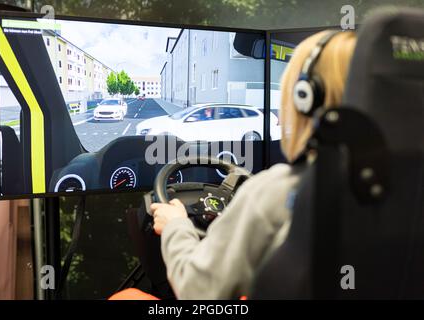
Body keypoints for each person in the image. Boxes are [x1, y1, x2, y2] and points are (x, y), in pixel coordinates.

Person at [149, 30, 357, 300]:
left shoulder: (276, 192)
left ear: (307, 100)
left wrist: (176, 225)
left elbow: (197, 289)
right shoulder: (408, 186)